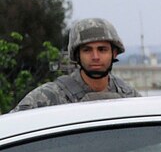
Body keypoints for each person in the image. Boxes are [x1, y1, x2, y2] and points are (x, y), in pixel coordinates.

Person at [11, 18, 140, 112]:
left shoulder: (129, 97)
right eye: (87, 50)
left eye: (102, 49)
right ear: (77, 55)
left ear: (114, 53)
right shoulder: (48, 97)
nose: (95, 57)